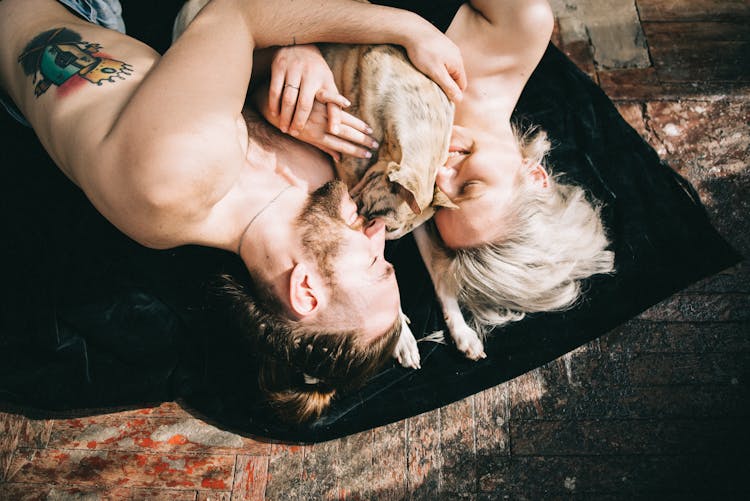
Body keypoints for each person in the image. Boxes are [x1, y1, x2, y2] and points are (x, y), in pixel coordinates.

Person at [0, 0, 468, 422]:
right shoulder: (310, 184)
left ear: (305, 289)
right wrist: (286, 64)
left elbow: (233, 16)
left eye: (374, 264)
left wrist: (410, 29)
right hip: (121, 34)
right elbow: (214, 59)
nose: (379, 234)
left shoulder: (171, 183)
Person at [262, 0, 615, 337]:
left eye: (439, 201)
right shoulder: (519, 29)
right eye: (471, 186)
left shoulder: (375, 168)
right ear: (536, 176)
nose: (442, 173)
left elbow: (253, 52)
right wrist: (407, 30)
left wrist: (294, 63)